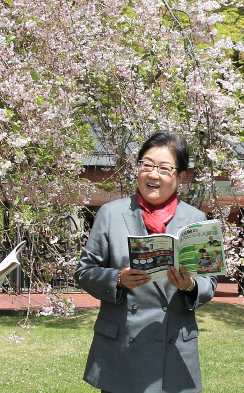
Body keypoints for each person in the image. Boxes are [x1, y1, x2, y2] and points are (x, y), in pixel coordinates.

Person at [74, 131, 217, 393]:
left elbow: (210, 280)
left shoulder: (197, 219)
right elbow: (84, 271)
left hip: (174, 349)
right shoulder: (111, 214)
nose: (153, 175)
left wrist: (190, 286)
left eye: (164, 168)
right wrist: (117, 280)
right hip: (121, 350)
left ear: (181, 176)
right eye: (147, 165)